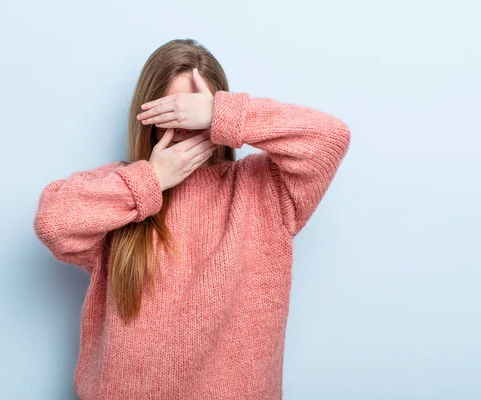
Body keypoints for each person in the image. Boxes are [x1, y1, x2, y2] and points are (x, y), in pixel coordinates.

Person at [33, 38, 351, 399]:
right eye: (172, 110)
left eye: (194, 110)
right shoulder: (121, 192)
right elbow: (53, 223)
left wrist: (224, 114)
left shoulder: (265, 188)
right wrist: (150, 179)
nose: (186, 126)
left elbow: (330, 137)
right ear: (147, 116)